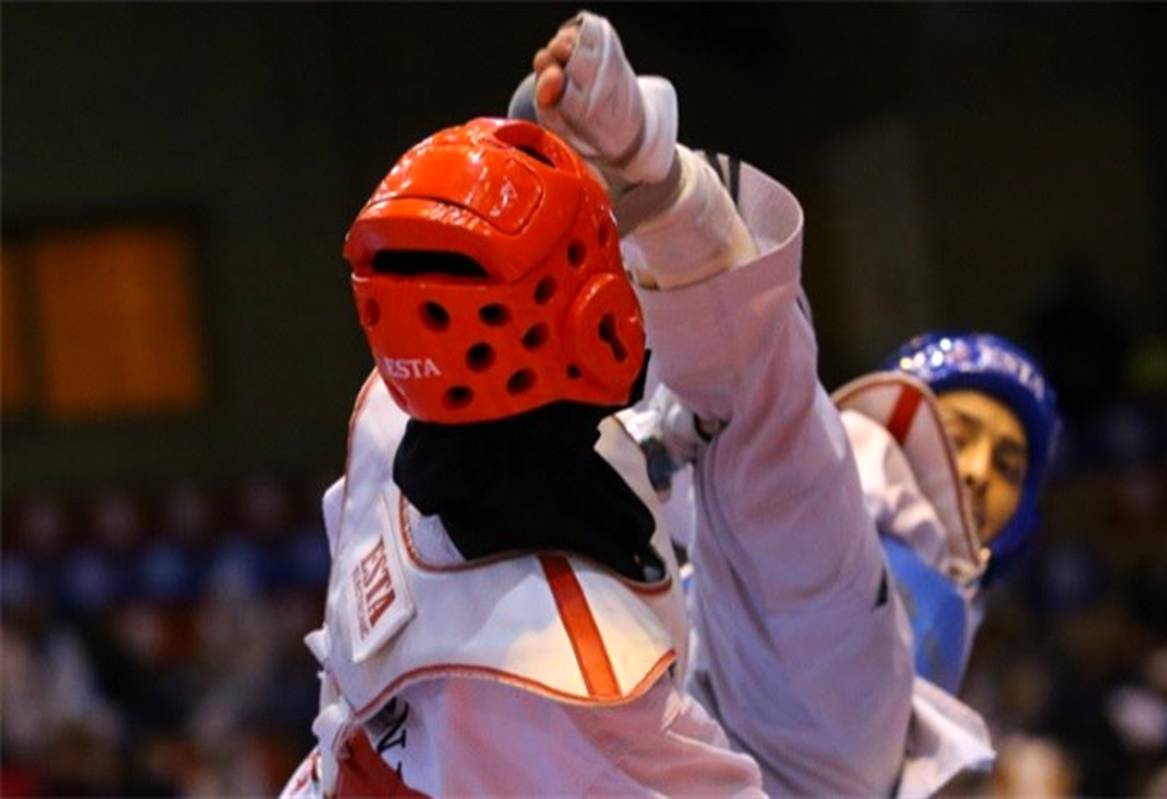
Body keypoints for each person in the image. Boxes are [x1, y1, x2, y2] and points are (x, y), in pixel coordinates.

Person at [282, 11, 913, 796]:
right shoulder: (583, 685)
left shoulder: (389, 413)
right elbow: (770, 427)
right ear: (597, 327)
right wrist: (669, 193)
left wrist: (567, 189)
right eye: (603, 247)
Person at [833, 331, 1061, 693]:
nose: (980, 472)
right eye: (955, 439)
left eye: (1007, 468)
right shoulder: (830, 481)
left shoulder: (960, 617)